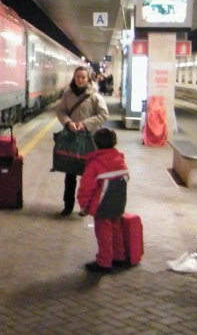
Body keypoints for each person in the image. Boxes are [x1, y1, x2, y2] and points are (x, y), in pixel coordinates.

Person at [55, 66, 109, 216]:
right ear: (74, 77)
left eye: (83, 77)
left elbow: (104, 114)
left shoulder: (94, 96)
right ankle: (68, 205)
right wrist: (68, 122)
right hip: (72, 138)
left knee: (88, 176)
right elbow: (60, 111)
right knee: (70, 174)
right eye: (78, 76)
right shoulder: (68, 94)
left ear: (88, 79)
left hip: (89, 140)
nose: (80, 79)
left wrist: (85, 124)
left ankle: (85, 206)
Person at [77, 128, 130, 273]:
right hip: (119, 202)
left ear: (96, 143)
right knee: (116, 228)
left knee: (103, 233)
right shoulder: (119, 159)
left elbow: (86, 187)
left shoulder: (95, 163)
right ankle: (119, 256)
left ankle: (104, 262)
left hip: (102, 205)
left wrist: (83, 205)